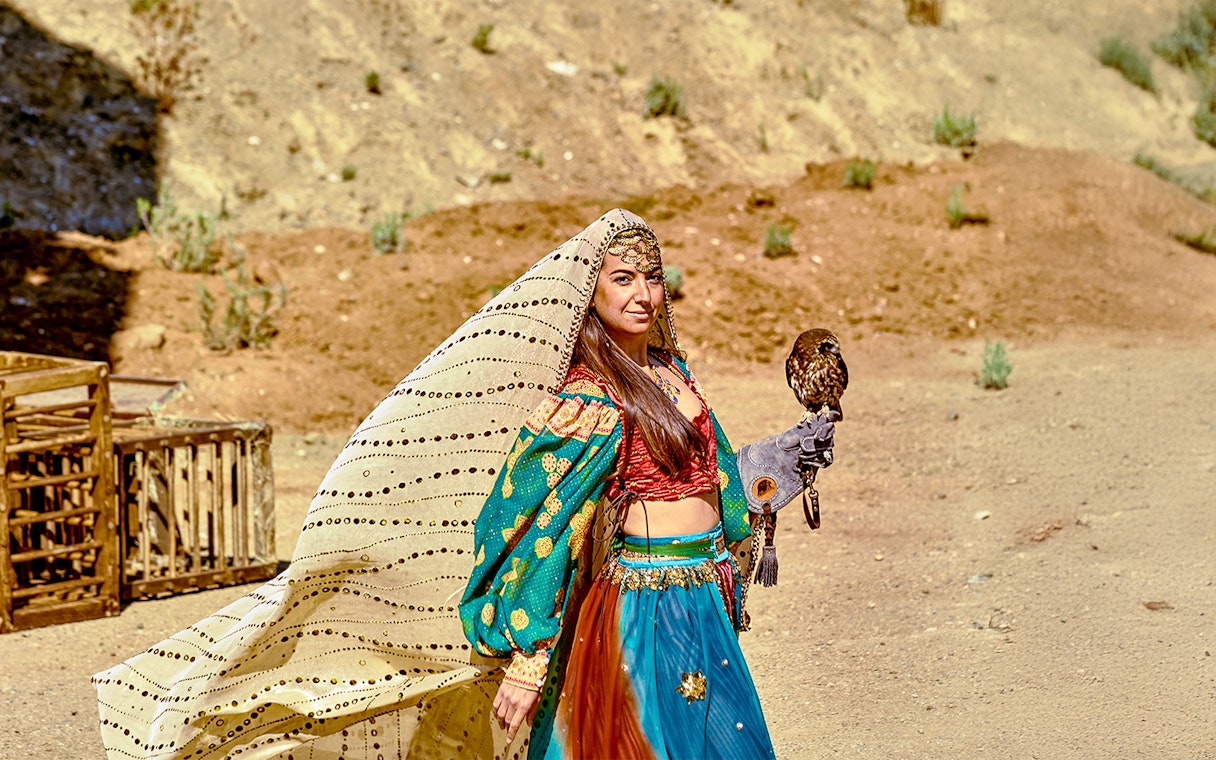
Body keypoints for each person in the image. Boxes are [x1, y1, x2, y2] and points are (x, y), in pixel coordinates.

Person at [92, 209, 833, 759]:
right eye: (622, 278)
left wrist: (784, 468)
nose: (642, 293)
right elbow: (546, 530)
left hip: (701, 598)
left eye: (650, 277)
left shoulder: (673, 374)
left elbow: (716, 482)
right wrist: (528, 658)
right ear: (591, 291)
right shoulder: (587, 399)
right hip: (639, 610)